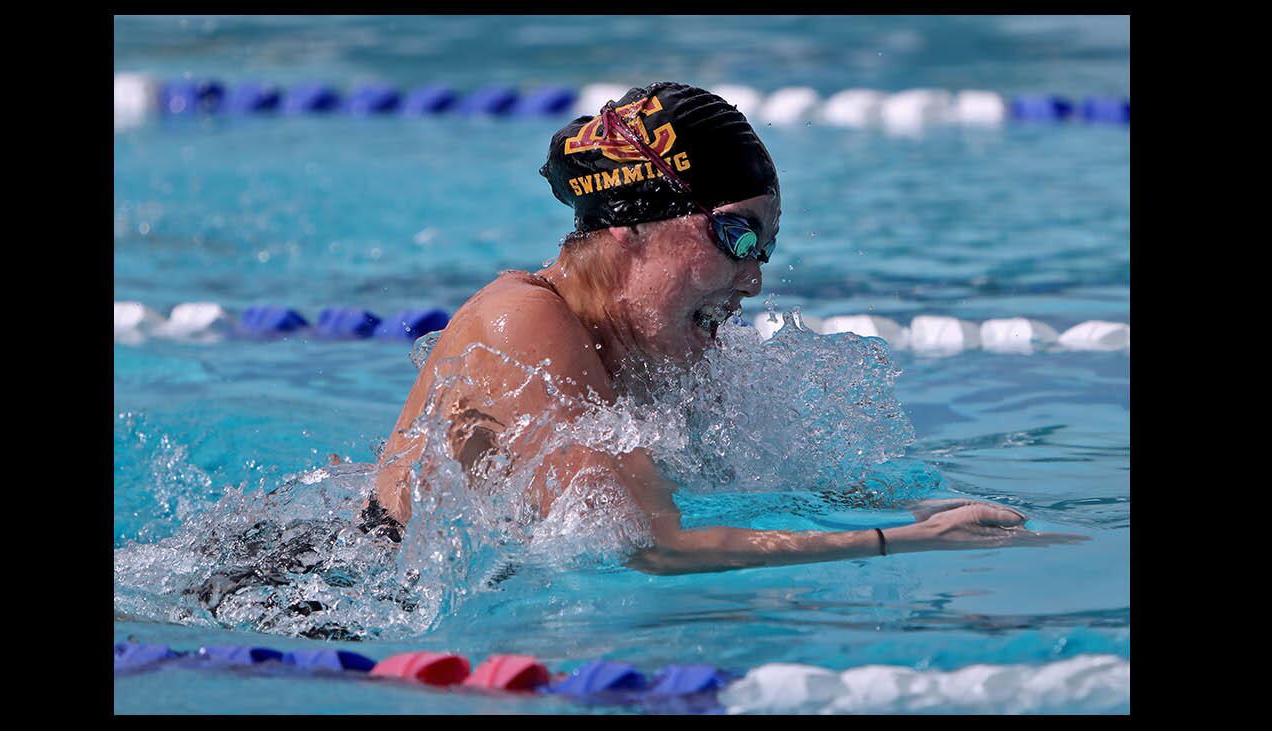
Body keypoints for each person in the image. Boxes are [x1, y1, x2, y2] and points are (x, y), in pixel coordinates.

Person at [374, 81, 1083, 575]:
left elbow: (777, 484)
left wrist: (926, 503)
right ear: (630, 225)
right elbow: (652, 546)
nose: (754, 277)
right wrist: (904, 540)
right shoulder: (521, 318)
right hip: (334, 593)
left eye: (764, 248)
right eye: (737, 236)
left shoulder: (659, 350)